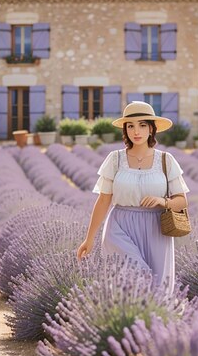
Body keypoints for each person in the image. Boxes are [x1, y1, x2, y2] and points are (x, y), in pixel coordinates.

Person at [76, 101, 189, 293]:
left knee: (157, 288)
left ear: (152, 129)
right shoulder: (115, 159)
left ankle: (151, 323)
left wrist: (163, 201)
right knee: (135, 279)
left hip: (156, 230)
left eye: (142, 125)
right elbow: (103, 200)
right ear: (125, 129)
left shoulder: (165, 160)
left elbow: (182, 200)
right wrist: (89, 238)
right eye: (130, 126)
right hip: (120, 227)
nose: (136, 131)